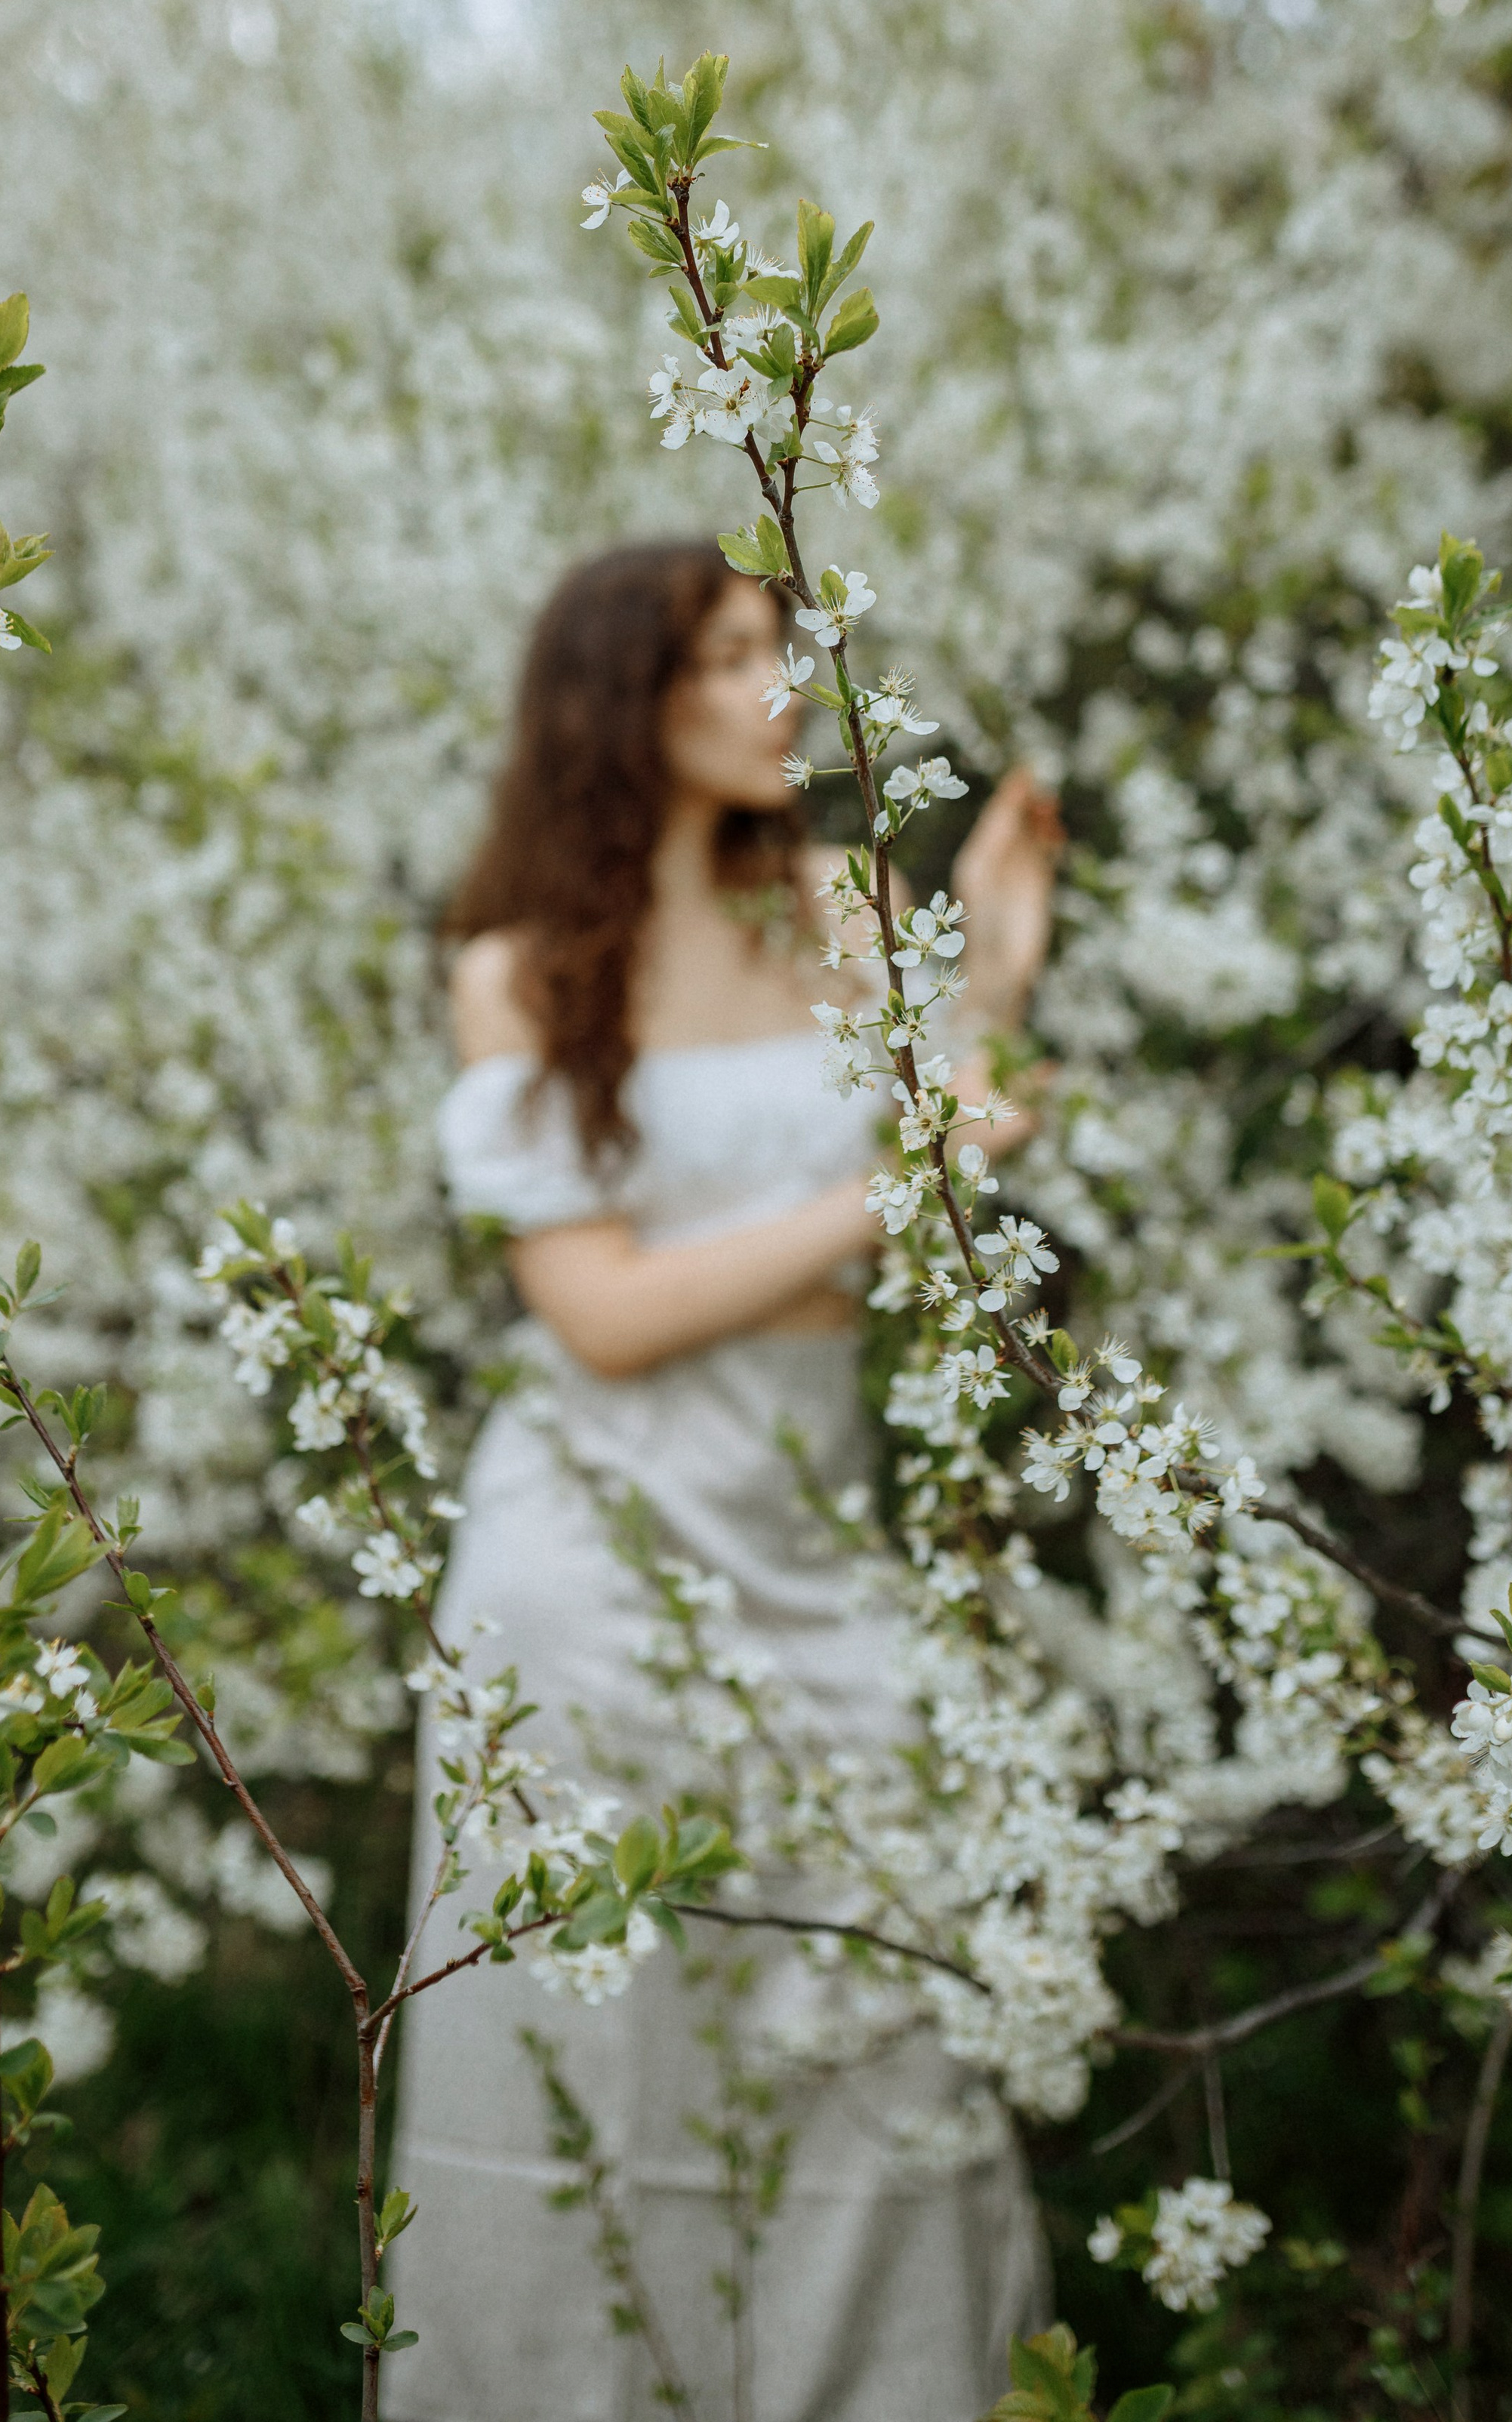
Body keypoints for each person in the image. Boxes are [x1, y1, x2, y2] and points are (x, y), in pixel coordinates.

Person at [386, 541, 1061, 2422]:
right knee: (584, 2042)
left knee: (877, 2014)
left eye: (785, 645)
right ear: (625, 706)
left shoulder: (845, 906)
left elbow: (955, 1153)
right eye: (734, 655)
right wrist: (884, 1181)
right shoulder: (517, 969)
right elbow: (597, 1312)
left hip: (808, 1540)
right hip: (583, 1560)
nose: (783, 683)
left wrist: (991, 960)